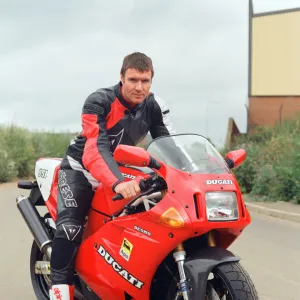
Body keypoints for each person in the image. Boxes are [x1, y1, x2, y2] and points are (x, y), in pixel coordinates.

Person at [49, 52, 176, 300]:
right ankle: (60, 294)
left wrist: (194, 169)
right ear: (121, 77)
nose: (139, 87)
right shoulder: (99, 101)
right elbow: (96, 148)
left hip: (120, 172)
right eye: (133, 80)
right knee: (71, 228)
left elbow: (169, 147)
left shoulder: (155, 106)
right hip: (81, 169)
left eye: (145, 81)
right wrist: (117, 182)